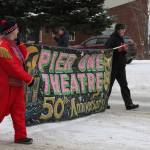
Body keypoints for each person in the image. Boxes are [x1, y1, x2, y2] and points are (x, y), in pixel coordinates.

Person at [0, 18, 34, 144]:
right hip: (6, 86)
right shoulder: (2, 46)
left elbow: (23, 57)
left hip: (16, 85)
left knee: (19, 111)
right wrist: (28, 78)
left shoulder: (12, 44)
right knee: (1, 110)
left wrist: (19, 44)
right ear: (11, 31)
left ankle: (20, 136)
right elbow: (12, 67)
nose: (18, 30)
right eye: (17, 28)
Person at [105, 23, 139, 110]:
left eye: (124, 29)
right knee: (109, 86)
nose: (123, 31)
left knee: (124, 85)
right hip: (113, 66)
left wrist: (124, 50)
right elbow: (107, 50)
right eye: (122, 29)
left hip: (120, 66)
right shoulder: (112, 38)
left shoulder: (121, 38)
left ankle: (129, 104)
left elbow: (121, 52)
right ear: (117, 30)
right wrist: (118, 50)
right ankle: (103, 103)